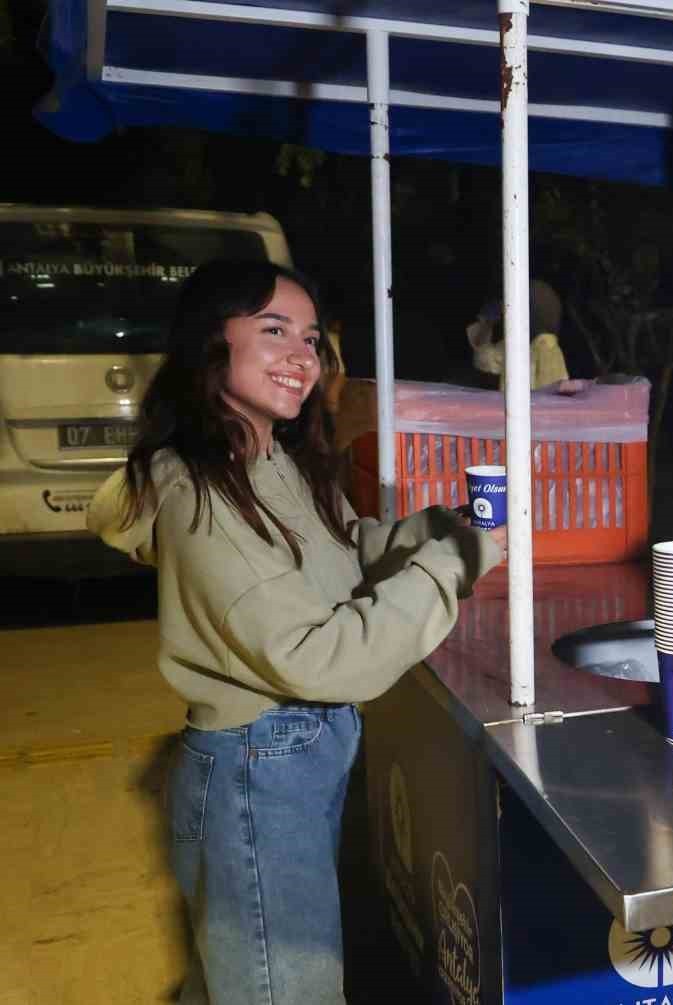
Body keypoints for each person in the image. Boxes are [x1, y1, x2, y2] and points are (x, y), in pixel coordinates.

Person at [86, 261, 505, 1003]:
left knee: (252, 983)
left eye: (311, 338)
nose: (302, 356)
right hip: (258, 769)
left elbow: (345, 552)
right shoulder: (201, 496)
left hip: (296, 754)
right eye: (274, 330)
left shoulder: (269, 456)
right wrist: (446, 566)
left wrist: (442, 532)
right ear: (210, 340)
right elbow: (321, 657)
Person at [465, 278, 568, 390]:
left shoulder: (546, 346)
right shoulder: (511, 344)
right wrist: (487, 323)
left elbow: (552, 393)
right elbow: (482, 359)